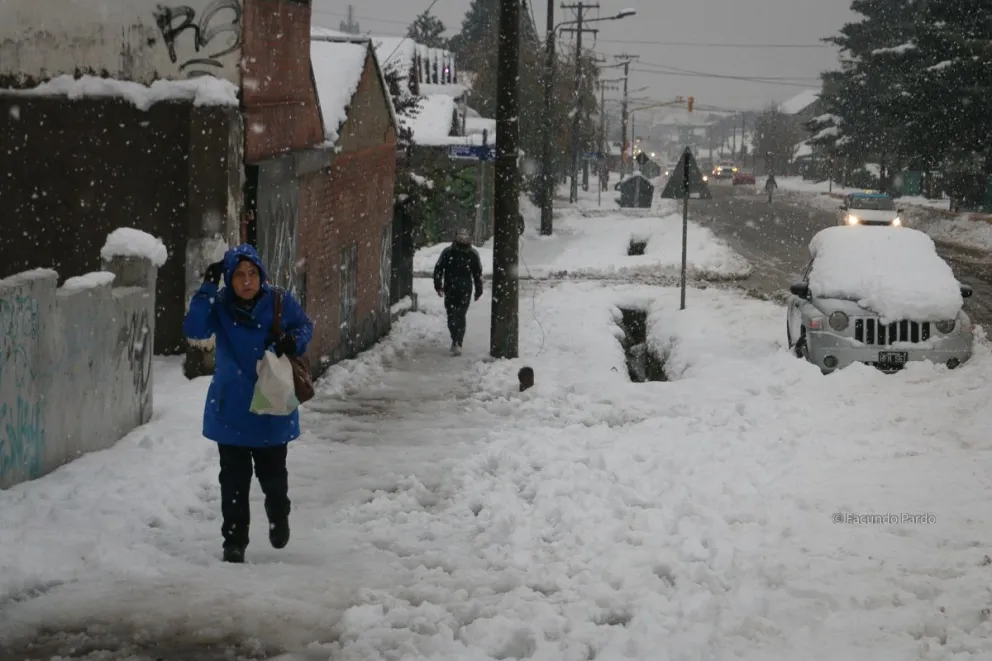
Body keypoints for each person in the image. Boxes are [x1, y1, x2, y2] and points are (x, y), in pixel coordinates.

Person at [182, 244, 314, 564]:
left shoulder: (279, 300)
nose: (246, 281)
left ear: (261, 276)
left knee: (274, 478)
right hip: (232, 408)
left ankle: (278, 514)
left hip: (272, 403)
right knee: (233, 482)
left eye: (252, 274)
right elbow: (194, 329)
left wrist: (292, 340)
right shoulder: (220, 304)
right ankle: (235, 540)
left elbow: (304, 326)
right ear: (229, 278)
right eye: (239, 275)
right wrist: (208, 288)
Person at [433, 228, 483, 355]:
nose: (462, 239)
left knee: (460, 315)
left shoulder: (472, 254)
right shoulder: (448, 253)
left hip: (465, 289)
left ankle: (458, 341)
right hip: (450, 288)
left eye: (465, 236)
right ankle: (454, 337)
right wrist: (438, 285)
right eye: (460, 236)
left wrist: (478, 290)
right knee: (451, 316)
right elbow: (438, 269)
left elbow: (477, 274)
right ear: (455, 238)